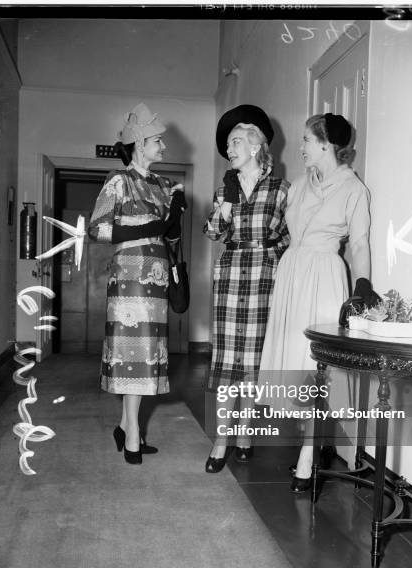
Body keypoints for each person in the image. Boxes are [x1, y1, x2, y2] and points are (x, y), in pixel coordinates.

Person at [259, 113, 379, 492]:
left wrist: (362, 284)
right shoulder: (298, 185)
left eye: (307, 140)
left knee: (315, 366)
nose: (301, 147)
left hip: (325, 276)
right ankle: (313, 445)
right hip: (292, 273)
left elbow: (359, 243)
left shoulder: (354, 190)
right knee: (294, 361)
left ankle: (309, 459)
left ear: (327, 145)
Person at [88, 102, 186, 465]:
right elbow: (97, 229)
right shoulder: (119, 180)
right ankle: (131, 433)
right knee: (135, 355)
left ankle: (126, 426)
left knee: (148, 356)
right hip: (129, 277)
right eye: (157, 140)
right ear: (139, 143)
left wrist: (175, 209)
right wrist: (149, 227)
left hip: (157, 278)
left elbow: (171, 236)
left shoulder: (163, 184)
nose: (163, 146)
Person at [203, 104, 290, 473]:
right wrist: (222, 208)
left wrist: (274, 262)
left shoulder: (281, 189)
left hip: (263, 279)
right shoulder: (226, 188)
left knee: (252, 362)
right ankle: (221, 441)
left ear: (256, 146)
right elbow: (212, 233)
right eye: (227, 144)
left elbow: (289, 238)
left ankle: (245, 436)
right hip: (231, 275)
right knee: (226, 362)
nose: (229, 149)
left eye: (236, 141)